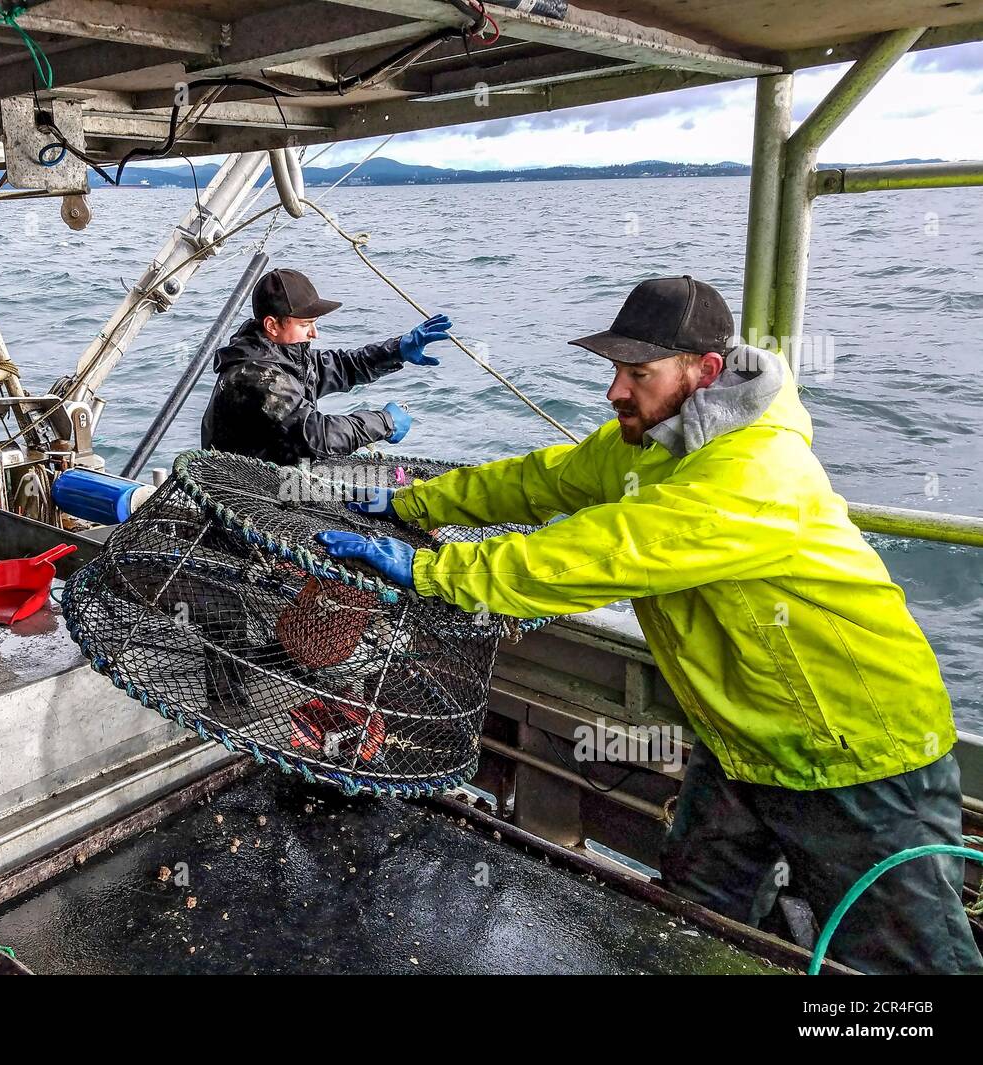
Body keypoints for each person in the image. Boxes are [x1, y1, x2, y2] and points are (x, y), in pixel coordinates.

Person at [315, 275, 983, 975]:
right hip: (742, 748)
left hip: (861, 757)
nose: (615, 392)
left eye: (638, 373)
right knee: (694, 923)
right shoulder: (648, 445)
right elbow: (539, 480)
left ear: (707, 372)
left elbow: (609, 548)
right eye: (614, 370)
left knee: (908, 966)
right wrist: (415, 504)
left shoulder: (754, 470)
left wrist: (432, 573)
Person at [200, 267, 451, 463]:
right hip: (250, 491)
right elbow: (316, 434)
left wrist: (398, 350)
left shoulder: (283, 356)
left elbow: (342, 366)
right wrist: (384, 423)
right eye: (305, 324)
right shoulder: (255, 375)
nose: (314, 333)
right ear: (272, 325)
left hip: (279, 476)